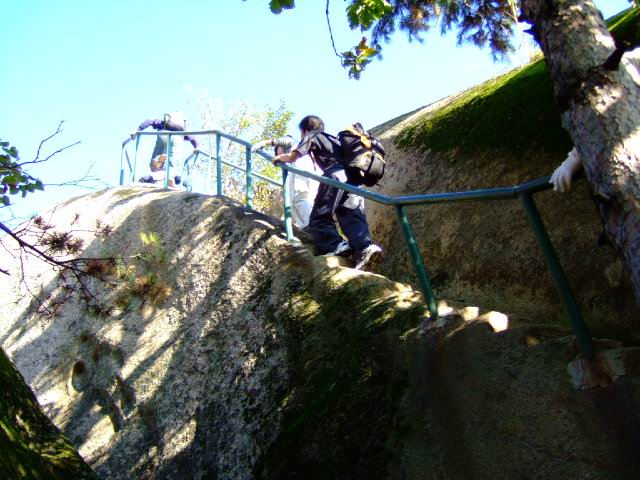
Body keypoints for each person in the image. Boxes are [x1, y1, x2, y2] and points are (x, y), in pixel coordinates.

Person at [271, 115, 382, 270]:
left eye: (301, 133)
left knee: (319, 217)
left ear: (305, 130)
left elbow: (292, 156)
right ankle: (365, 248)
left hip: (335, 176)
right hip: (353, 181)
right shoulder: (335, 140)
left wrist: (278, 158)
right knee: (350, 216)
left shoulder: (312, 135)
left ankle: (335, 245)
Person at [252, 134, 319, 230]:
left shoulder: (291, 142)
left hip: (298, 167)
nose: (276, 152)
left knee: (295, 199)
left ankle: (308, 227)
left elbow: (284, 140)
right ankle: (315, 226)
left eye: (277, 149)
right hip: (311, 170)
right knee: (306, 199)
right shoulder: (302, 151)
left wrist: (264, 143)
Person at [132, 111, 198, 187]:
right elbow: (193, 138)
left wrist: (138, 129)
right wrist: (197, 147)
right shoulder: (182, 131)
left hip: (163, 136)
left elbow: (149, 121)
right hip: (178, 140)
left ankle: (154, 176)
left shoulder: (162, 123)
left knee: (157, 163)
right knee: (172, 163)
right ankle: (171, 177)